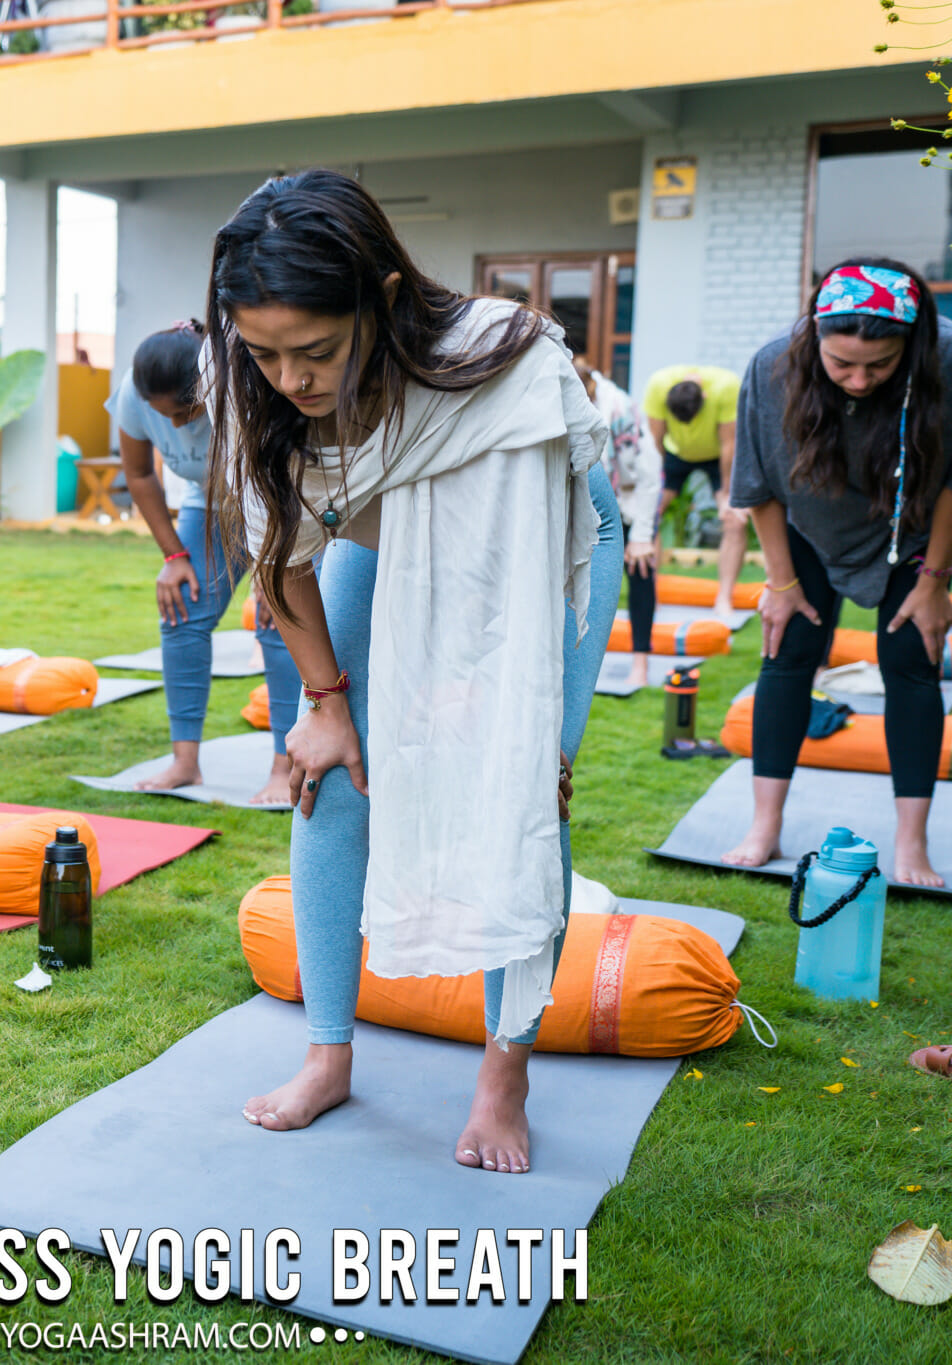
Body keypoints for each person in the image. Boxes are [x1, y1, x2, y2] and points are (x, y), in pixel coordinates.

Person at [206, 170, 620, 1173]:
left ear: (382, 302)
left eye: (315, 351)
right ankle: (326, 1055)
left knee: (525, 785)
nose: (289, 379)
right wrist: (326, 705)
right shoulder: (251, 385)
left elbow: (507, 586)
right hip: (374, 533)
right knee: (328, 778)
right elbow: (280, 553)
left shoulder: (495, 366)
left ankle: (504, 1073)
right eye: (263, 352)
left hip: (538, 543)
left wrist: (478, 706)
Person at [723, 259, 952, 888]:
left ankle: (913, 842)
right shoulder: (773, 365)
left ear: (912, 344)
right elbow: (757, 484)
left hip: (910, 529)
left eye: (880, 365)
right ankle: (764, 825)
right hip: (808, 526)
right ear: (815, 334)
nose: (860, 380)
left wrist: (935, 583)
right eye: (842, 364)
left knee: (913, 661)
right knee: (787, 653)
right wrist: (781, 584)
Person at [115, 321, 300, 806]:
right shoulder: (133, 394)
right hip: (211, 503)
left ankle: (284, 766)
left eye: (185, 412)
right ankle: (184, 764)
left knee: (280, 620)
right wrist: (174, 556)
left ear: (208, 388)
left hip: (283, 501)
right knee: (181, 611)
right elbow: (139, 474)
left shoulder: (244, 384)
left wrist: (274, 571)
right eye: (163, 416)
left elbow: (282, 475)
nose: (176, 427)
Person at [575, 356, 662, 687]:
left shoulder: (623, 411)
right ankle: (580, 665)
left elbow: (649, 477)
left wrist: (642, 536)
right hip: (590, 505)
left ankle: (640, 662)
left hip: (629, 502)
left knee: (641, 572)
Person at [643, 362, 746, 616]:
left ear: (705, 398)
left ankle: (724, 598)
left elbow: (729, 444)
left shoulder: (726, 386)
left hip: (717, 455)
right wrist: (653, 488)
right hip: (675, 454)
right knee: (649, 516)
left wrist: (726, 493)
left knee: (734, 519)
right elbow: (655, 441)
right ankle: (649, 596)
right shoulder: (658, 385)